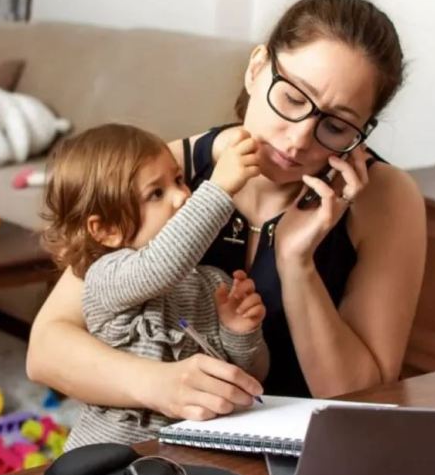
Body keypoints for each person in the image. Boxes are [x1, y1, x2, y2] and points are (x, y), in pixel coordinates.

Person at [27, 0, 426, 421]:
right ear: (256, 68)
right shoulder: (168, 174)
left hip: (308, 444)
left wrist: (296, 264)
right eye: (293, 99)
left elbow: (361, 402)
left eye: (336, 125)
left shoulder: (386, 200)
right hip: (170, 437)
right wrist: (159, 384)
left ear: (362, 131)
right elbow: (46, 348)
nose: (298, 140)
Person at [40, 124, 270, 449]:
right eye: (156, 194)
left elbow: (250, 376)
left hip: (187, 453)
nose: (183, 196)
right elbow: (159, 266)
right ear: (106, 230)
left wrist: (241, 332)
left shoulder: (213, 283)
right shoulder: (104, 276)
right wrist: (219, 188)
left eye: (179, 179)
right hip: (109, 456)